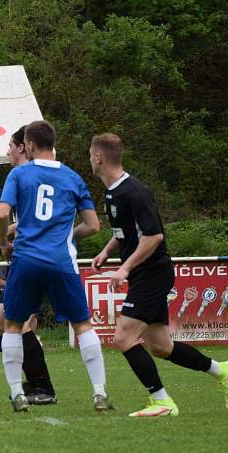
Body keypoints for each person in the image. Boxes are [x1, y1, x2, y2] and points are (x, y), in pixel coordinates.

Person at [89, 132, 228, 417]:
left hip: (151, 273)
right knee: (161, 346)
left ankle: (162, 401)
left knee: (123, 337)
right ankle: (222, 370)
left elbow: (153, 236)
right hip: (144, 274)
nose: (90, 160)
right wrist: (106, 252)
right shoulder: (112, 192)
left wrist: (125, 267)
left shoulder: (135, 191)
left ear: (99, 157)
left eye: (90, 155)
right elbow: (126, 233)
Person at [0, 120, 111, 412]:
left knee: (11, 324)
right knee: (83, 324)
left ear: (30, 145)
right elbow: (94, 226)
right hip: (61, 261)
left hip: (26, 260)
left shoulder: (20, 174)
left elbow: (1, 215)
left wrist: (3, 244)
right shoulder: (73, 177)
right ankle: (99, 392)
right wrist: (67, 235)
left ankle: (17, 393)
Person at [0, 126, 57, 405]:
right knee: (0, 324)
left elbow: (4, 215)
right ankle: (36, 382)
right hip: (27, 260)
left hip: (34, 260)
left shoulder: (26, 176)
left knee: (20, 325)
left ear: (22, 147)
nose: (6, 151)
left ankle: (43, 387)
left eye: (10, 146)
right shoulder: (27, 178)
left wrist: (5, 238)